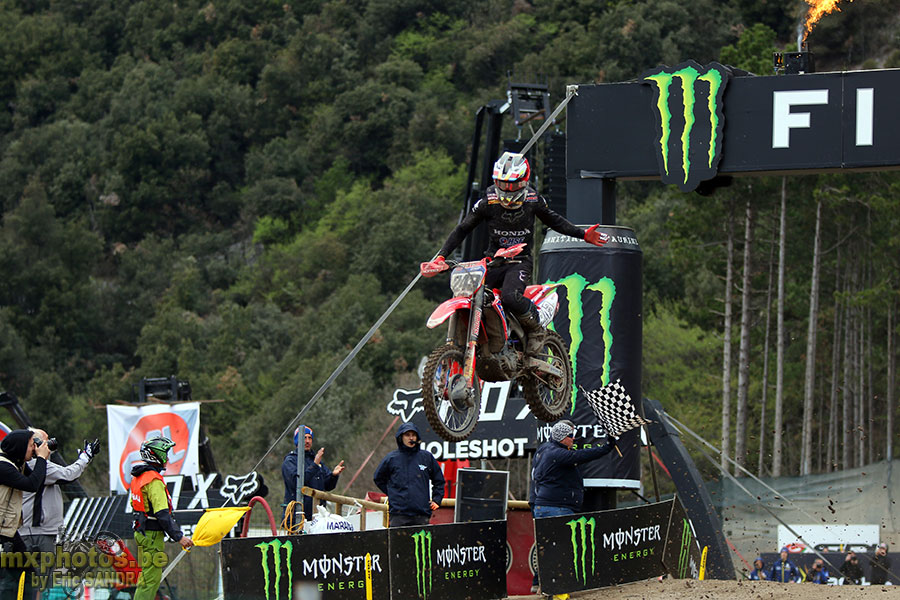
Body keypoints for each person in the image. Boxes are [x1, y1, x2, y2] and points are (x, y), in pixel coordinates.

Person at [420, 151, 609, 354]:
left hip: (519, 262)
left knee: (510, 296)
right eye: (503, 184)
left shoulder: (533, 200)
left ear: (524, 181)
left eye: (513, 185)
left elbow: (555, 221)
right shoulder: (488, 202)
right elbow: (462, 229)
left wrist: (582, 234)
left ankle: (536, 330)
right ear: (496, 181)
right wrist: (441, 256)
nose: (508, 189)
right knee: (473, 294)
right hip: (492, 261)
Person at [130, 437, 193, 600]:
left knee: (146, 578)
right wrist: (179, 536)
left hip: (142, 532)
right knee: (151, 580)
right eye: (165, 454)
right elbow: (162, 514)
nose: (168, 458)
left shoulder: (139, 476)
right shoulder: (153, 480)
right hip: (151, 535)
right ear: (157, 456)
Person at [19, 429, 100, 555]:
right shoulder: (36, 464)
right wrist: (85, 457)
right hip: (39, 531)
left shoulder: (29, 464)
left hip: (35, 530)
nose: (49, 445)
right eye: (45, 441)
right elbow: (68, 475)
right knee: (44, 573)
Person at [0, 430, 50, 596]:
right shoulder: (3, 466)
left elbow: (38, 478)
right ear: (20, 447)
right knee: (7, 576)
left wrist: (38, 455)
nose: (34, 447)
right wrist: (41, 458)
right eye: (31, 445)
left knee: (28, 573)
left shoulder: (15, 462)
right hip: (2, 532)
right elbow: (32, 484)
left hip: (8, 531)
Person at [529, 420, 612, 518]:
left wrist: (533, 502)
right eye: (570, 435)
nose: (573, 438)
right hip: (557, 506)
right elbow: (581, 455)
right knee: (563, 533)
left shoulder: (544, 449)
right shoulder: (557, 453)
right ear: (562, 438)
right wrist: (607, 448)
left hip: (543, 504)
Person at [373, 422, 445, 527]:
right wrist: (393, 493)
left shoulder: (426, 457)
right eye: (407, 435)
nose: (411, 438)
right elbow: (378, 478)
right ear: (401, 437)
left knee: (421, 543)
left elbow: (439, 480)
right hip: (399, 514)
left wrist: (437, 500)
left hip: (421, 514)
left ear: (417, 437)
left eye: (413, 435)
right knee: (398, 543)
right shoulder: (391, 458)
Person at [281, 426, 345, 521]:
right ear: (297, 440)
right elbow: (296, 482)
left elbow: (328, 486)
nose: (307, 441)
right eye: (304, 438)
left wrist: (333, 475)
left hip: (317, 516)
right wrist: (314, 465)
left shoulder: (316, 460)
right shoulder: (290, 460)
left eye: (309, 438)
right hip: (296, 516)